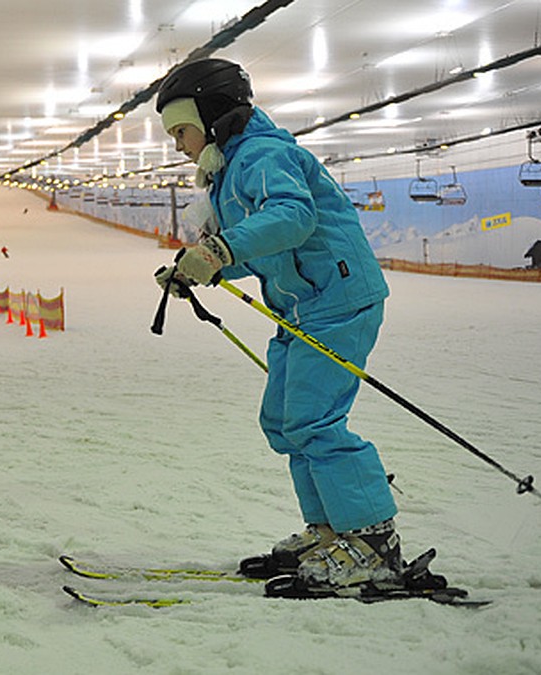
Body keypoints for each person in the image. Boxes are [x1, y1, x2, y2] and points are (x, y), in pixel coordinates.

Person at [154, 58, 399, 590]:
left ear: (213, 116)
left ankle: (373, 541)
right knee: (284, 422)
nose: (177, 144)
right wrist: (202, 267)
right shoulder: (231, 170)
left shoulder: (265, 155)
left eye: (181, 130)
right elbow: (266, 247)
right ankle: (332, 528)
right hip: (303, 307)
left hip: (337, 299)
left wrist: (220, 250)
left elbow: (293, 217)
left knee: (313, 421)